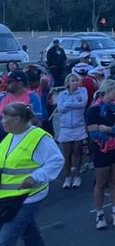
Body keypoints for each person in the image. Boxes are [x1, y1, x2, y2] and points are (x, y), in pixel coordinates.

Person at [0, 102, 64, 246]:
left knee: (5, 240)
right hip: (8, 197)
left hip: (28, 196)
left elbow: (56, 160)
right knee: (30, 234)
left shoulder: (39, 137)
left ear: (16, 119)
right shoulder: (9, 136)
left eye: (4, 118)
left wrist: (36, 177)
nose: (2, 122)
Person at [87, 79, 115, 230]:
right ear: (107, 91)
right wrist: (108, 129)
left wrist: (106, 128)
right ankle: (99, 213)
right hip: (101, 149)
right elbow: (92, 131)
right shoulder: (94, 110)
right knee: (101, 182)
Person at [57, 73, 88, 189]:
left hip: (78, 126)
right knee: (67, 154)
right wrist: (72, 104)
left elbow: (83, 104)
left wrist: (68, 104)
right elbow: (60, 109)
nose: (75, 82)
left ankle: (77, 176)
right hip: (66, 127)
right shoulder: (62, 94)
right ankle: (67, 176)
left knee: (77, 152)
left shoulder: (82, 91)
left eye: (76, 80)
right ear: (68, 83)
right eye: (72, 81)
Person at [0, 71, 43, 139]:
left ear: (19, 83)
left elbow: (37, 119)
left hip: (24, 135)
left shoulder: (32, 97)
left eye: (9, 82)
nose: (6, 84)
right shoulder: (3, 97)